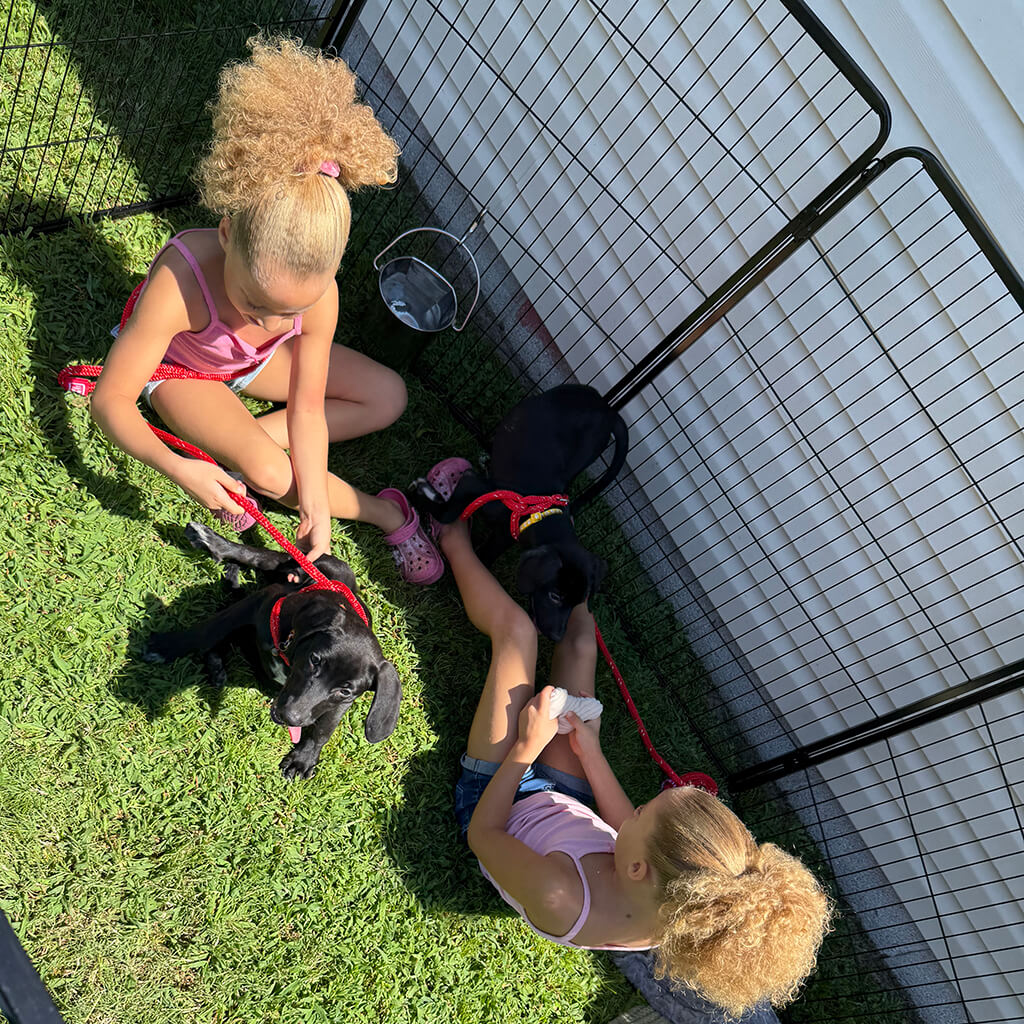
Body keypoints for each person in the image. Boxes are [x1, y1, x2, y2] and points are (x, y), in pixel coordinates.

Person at [435, 464, 834, 1018]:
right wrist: (590, 752)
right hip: (562, 803)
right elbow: (627, 832)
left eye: (642, 811)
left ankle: (449, 534)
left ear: (639, 869)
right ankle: (565, 567)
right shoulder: (676, 908)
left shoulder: (560, 897)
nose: (630, 813)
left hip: (496, 805)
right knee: (579, 648)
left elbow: (485, 835)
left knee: (518, 638)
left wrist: (526, 749)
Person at [90, 36, 442, 583]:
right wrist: (180, 469)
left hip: (249, 366)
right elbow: (110, 401)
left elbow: (308, 409)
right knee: (271, 472)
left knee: (388, 395)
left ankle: (243, 441)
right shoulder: (181, 281)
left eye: (292, 311)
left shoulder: (318, 294)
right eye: (255, 303)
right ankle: (384, 512)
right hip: (183, 370)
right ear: (226, 234)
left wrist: (315, 506)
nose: (274, 325)